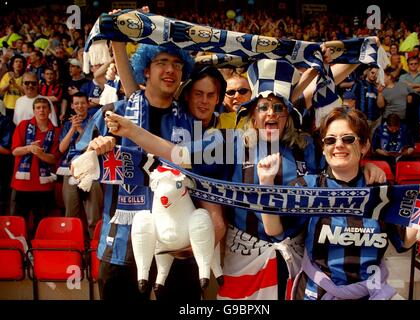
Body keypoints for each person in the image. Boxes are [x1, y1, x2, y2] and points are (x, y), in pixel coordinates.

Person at [99, 59, 386, 300]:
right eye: (263, 107)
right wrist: (132, 131)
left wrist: (369, 165)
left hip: (296, 256)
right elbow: (177, 153)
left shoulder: (306, 146)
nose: (270, 113)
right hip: (244, 255)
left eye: (278, 108)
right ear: (252, 113)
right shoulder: (231, 142)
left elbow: (341, 160)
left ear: (288, 114)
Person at [74, 36, 201, 300]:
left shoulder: (192, 122)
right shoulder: (112, 113)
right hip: (122, 245)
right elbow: (76, 169)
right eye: (162, 62)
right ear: (145, 69)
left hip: (177, 246)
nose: (170, 70)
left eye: (177, 64)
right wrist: (92, 150)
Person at [286, 106, 420, 300]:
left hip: (370, 293)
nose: (338, 145)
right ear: (323, 147)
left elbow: (403, 240)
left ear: (364, 146)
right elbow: (273, 231)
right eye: (330, 140)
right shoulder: (307, 187)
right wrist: (266, 181)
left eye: (348, 139)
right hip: (316, 293)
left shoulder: (381, 192)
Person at [10, 97, 60, 238]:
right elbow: (15, 151)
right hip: (21, 185)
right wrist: (30, 148)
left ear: (50, 110)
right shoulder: (23, 126)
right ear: (33, 111)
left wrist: (40, 153)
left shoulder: (56, 131)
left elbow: (54, 158)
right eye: (38, 108)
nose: (41, 110)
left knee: (42, 226)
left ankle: (37, 253)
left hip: (44, 187)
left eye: (44, 107)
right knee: (18, 224)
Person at [58, 92, 103, 239]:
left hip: (91, 171)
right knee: (71, 212)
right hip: (71, 171)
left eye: (83, 103)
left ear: (88, 104)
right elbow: (61, 149)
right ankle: (72, 247)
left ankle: (94, 250)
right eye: (76, 103)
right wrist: (72, 129)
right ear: (72, 105)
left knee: (93, 216)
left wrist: (80, 131)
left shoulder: (95, 122)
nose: (79, 106)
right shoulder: (67, 124)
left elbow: (94, 146)